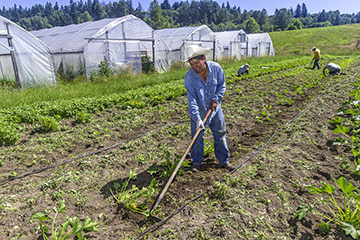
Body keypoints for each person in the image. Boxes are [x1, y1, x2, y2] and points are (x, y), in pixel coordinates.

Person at [184, 45, 235, 172]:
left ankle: (224, 160)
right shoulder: (190, 77)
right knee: (196, 136)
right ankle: (196, 162)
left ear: (204, 59)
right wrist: (197, 119)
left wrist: (216, 99)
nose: (195, 67)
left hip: (215, 110)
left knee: (220, 134)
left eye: (197, 63)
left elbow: (222, 86)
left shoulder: (216, 69)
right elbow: (192, 100)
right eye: (192, 64)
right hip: (200, 111)